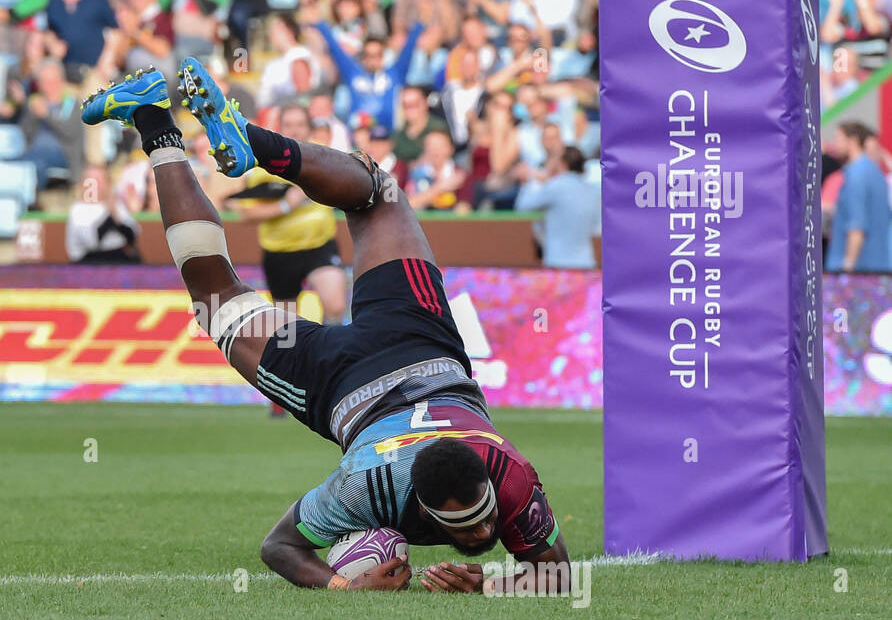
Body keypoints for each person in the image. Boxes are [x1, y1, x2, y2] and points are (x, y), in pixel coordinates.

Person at [80, 59, 570, 593]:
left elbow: (555, 575)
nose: (484, 532)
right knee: (234, 287)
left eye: (482, 518)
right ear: (421, 508)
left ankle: (168, 123)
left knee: (371, 199)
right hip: (352, 378)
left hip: (405, 348)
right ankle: (204, 129)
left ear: (488, 478)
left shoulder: (504, 475)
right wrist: (346, 587)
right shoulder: (370, 490)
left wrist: (488, 585)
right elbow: (277, 546)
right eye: (466, 525)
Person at [224, 105, 348, 398]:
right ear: (279, 127)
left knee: (335, 304)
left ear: (309, 128)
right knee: (286, 329)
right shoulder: (263, 167)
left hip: (319, 246)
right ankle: (284, 392)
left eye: (299, 124)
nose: (293, 130)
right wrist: (286, 205)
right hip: (279, 253)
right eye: (287, 124)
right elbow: (243, 213)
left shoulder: (321, 157)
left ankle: (332, 366)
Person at [513, 145, 600, 268]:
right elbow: (597, 229)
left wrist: (529, 181)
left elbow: (523, 207)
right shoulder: (592, 192)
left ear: (562, 163)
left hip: (558, 264)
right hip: (586, 264)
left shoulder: (556, 187)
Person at [827, 121, 892, 273]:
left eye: (838, 138)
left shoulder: (856, 175)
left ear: (853, 141)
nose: (834, 144)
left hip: (859, 270)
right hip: (877, 266)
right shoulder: (874, 171)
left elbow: (857, 225)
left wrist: (847, 267)